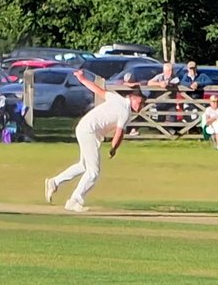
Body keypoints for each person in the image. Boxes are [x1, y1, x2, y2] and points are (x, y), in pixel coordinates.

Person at [45, 71, 146, 213]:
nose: (140, 106)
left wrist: (82, 78)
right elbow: (119, 133)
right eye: (140, 102)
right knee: (93, 172)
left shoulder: (116, 98)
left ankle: (54, 182)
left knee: (83, 166)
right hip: (89, 131)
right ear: (132, 97)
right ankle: (74, 200)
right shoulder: (125, 111)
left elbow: (97, 90)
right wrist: (114, 148)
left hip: (84, 128)